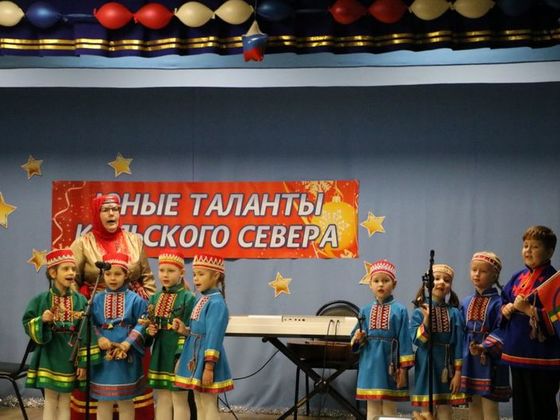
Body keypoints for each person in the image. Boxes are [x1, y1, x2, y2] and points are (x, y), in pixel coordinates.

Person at [70, 193, 155, 418]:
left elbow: (147, 278)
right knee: (100, 393)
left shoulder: (135, 240)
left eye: (115, 209)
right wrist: (80, 309)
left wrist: (151, 311)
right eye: (105, 210)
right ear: (96, 213)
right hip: (95, 312)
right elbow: (71, 280)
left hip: (132, 317)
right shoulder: (82, 243)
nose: (111, 214)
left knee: (130, 390)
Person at [22, 249, 100, 420]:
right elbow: (27, 323)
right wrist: (41, 320)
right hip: (48, 354)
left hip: (70, 356)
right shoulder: (41, 300)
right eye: (66, 269)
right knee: (50, 400)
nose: (71, 273)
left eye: (73, 269)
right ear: (52, 273)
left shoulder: (80, 300)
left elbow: (87, 332)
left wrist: (83, 363)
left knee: (65, 400)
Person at [501, 226, 560, 420]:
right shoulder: (518, 277)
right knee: (521, 406)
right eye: (525, 246)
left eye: (535, 247)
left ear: (549, 251)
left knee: (541, 407)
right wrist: (505, 309)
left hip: (543, 357)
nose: (528, 250)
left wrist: (528, 310)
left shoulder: (555, 281)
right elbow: (503, 300)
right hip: (517, 353)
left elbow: (557, 319)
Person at [351, 259, 414, 419]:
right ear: (370, 284)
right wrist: (358, 338)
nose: (380, 284)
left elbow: (405, 341)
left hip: (390, 364)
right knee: (372, 405)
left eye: (385, 280)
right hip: (370, 363)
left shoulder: (400, 310)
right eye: (376, 281)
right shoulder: (365, 310)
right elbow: (356, 339)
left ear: (394, 284)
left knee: (389, 406)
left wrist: (403, 369)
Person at [174, 254, 234, 420]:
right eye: (194, 274)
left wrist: (209, 367)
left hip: (207, 359)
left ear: (215, 275)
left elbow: (214, 337)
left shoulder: (216, 303)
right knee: (199, 401)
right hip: (195, 356)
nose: (196, 279)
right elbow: (198, 331)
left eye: (201, 274)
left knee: (208, 403)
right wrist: (185, 330)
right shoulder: (202, 299)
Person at [90, 252, 148, 420]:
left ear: (126, 275)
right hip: (104, 355)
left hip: (126, 355)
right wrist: (99, 338)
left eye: (117, 274)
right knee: (103, 400)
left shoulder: (135, 300)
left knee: (126, 400)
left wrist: (128, 343)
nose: (113, 278)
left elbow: (143, 322)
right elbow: (90, 323)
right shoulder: (96, 299)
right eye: (108, 274)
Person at [410, 263, 467, 420]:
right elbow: (418, 341)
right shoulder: (419, 312)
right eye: (436, 278)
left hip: (447, 365)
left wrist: (458, 373)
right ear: (427, 283)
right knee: (426, 410)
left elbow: (459, 344)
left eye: (446, 280)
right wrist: (427, 319)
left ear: (450, 286)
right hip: (426, 363)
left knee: (445, 410)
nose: (441, 282)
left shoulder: (454, 313)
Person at [145, 250, 196, 420]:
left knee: (179, 399)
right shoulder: (154, 298)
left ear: (182, 272)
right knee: (162, 398)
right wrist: (150, 331)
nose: (165, 275)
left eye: (171, 271)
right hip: (161, 352)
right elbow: (148, 332)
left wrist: (181, 355)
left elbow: (192, 331)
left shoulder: (189, 298)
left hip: (178, 354)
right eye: (162, 270)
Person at [461, 251, 511, 420]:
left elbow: (503, 330)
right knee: (473, 405)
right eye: (474, 269)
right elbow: (460, 331)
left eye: (482, 271)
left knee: (490, 406)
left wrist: (484, 346)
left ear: (494, 275)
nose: (477, 274)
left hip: (490, 359)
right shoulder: (465, 302)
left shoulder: (500, 303)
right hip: (469, 358)